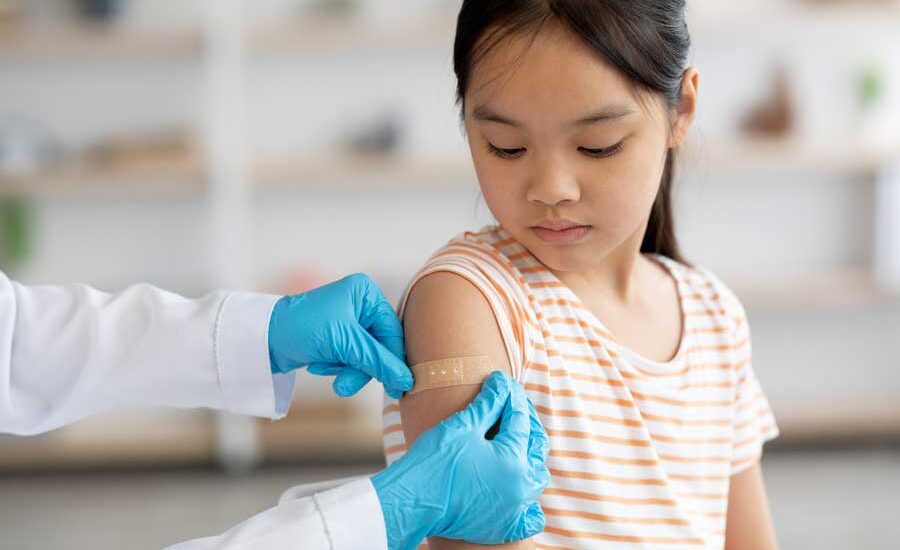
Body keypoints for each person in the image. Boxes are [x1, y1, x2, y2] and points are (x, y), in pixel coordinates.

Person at [382, 1, 780, 548]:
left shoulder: (713, 314)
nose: (551, 187)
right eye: (507, 146)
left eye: (598, 146)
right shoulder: (470, 300)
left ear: (681, 110)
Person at [0, 270, 549, 549]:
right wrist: (382, 515)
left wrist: (259, 334)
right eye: (504, 145)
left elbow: (16, 338)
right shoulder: (461, 287)